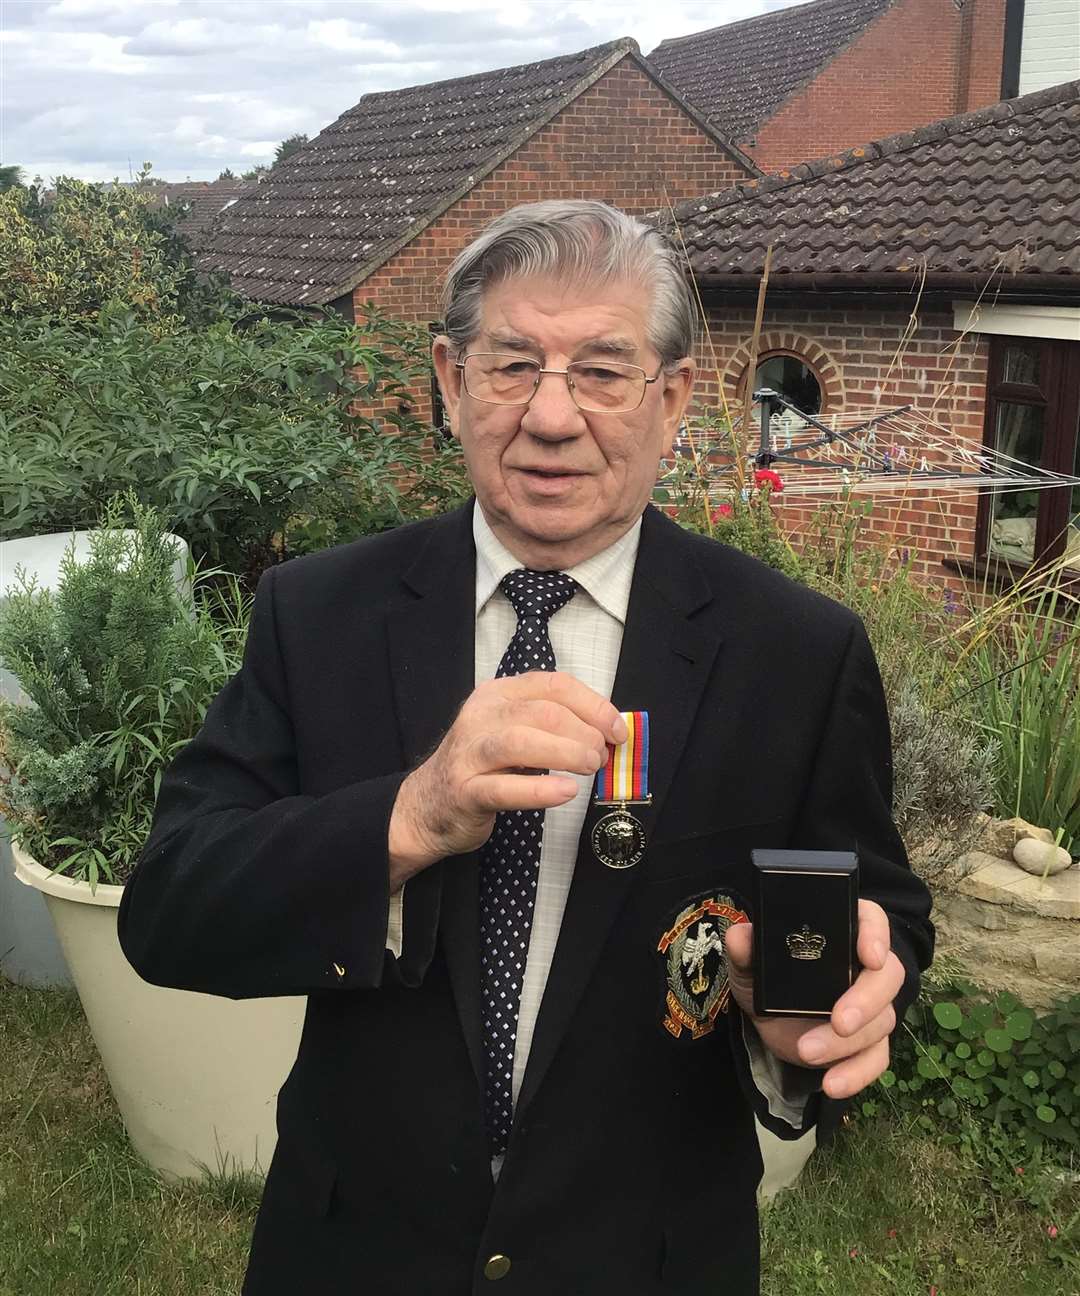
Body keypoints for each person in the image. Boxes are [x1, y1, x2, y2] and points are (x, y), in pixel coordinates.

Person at [118, 200, 933, 1295]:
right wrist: (408, 819)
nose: (552, 418)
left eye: (602, 371)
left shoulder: (795, 651)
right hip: (355, 1251)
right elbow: (172, 911)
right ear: (452, 383)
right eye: (513, 367)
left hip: (645, 1260)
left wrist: (824, 1012)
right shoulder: (319, 617)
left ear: (674, 399)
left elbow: (875, 906)